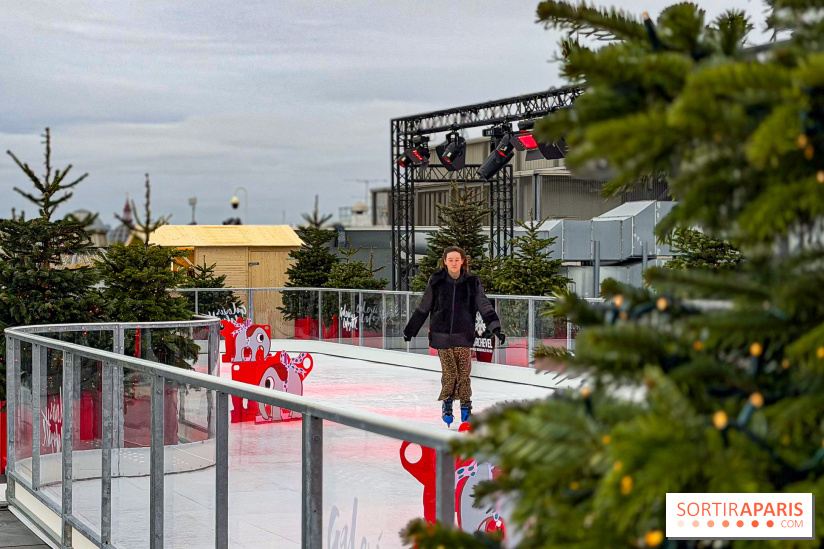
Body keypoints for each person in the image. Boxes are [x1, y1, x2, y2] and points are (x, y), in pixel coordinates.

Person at [403, 246, 505, 426]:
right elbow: (424, 307)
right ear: (445, 261)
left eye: (457, 260)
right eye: (450, 260)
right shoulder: (437, 281)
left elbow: (484, 305)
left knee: (464, 374)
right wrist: (410, 330)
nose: (454, 263)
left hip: (463, 335)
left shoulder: (472, 282)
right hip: (441, 336)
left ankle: (466, 406)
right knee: (451, 373)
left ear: (463, 261)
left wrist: (495, 327)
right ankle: (448, 403)